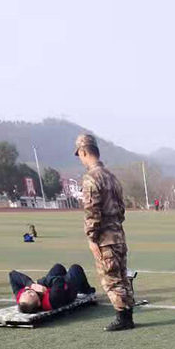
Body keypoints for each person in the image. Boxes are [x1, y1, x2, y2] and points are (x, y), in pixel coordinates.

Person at [75, 133, 136, 331]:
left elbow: (92, 211)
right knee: (122, 277)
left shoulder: (91, 179)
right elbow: (121, 209)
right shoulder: (112, 177)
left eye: (80, 155)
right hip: (118, 235)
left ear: (83, 152)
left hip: (105, 238)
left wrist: (92, 238)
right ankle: (127, 316)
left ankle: (123, 318)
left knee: (111, 279)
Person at [9, 263, 95, 313]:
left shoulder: (21, 297)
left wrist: (31, 284)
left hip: (53, 286)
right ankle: (86, 290)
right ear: (38, 303)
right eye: (31, 294)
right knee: (75, 268)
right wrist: (40, 283)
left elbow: (12, 274)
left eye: (25, 293)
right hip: (67, 291)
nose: (28, 291)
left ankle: (63, 277)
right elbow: (59, 281)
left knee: (58, 267)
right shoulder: (52, 299)